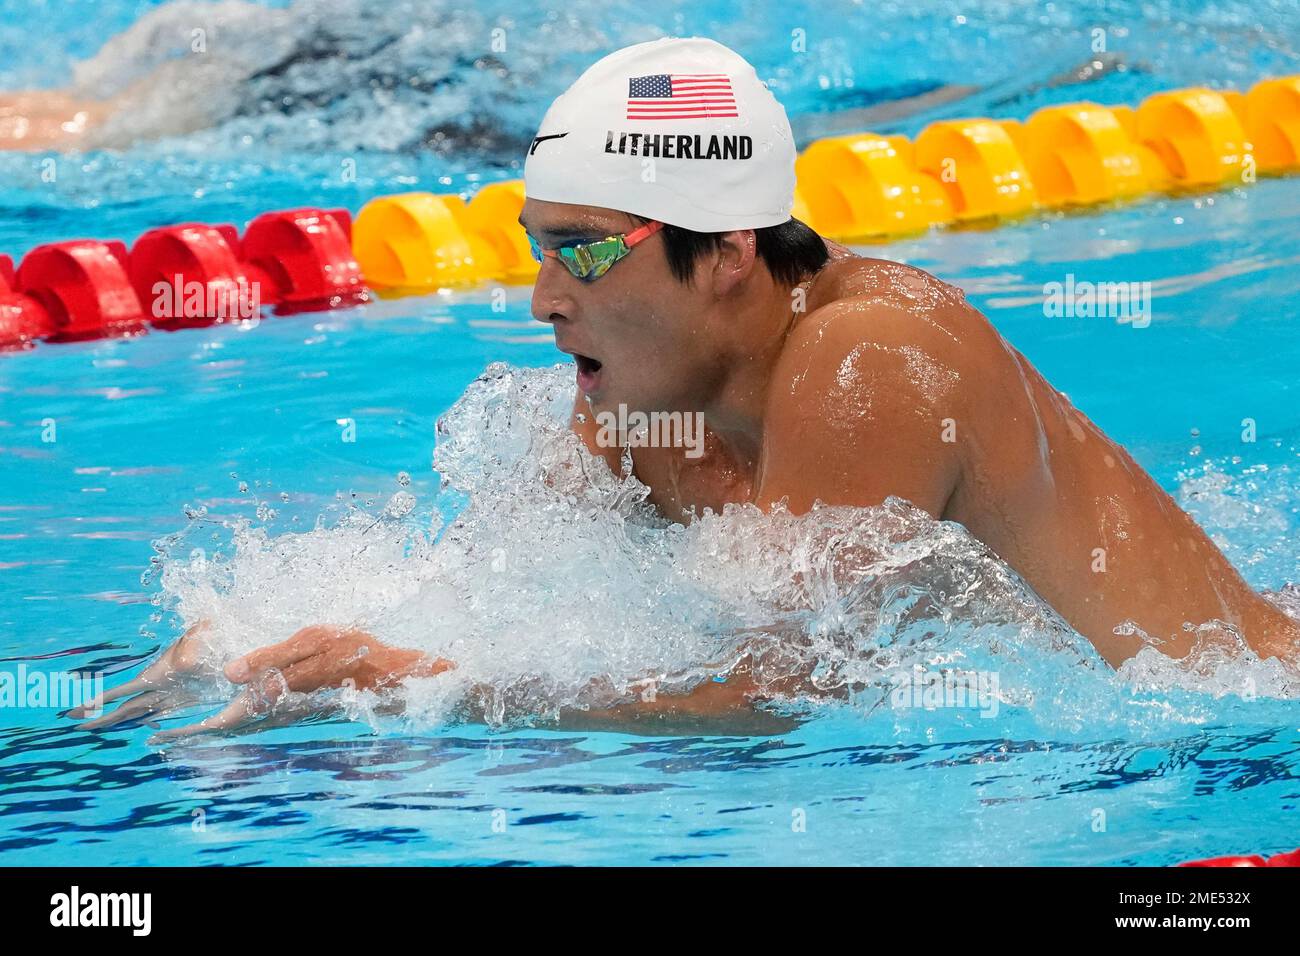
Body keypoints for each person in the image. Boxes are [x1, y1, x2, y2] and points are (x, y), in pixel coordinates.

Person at [74, 36, 1299, 740]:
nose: (542, 298)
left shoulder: (868, 362)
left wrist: (425, 692)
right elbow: (495, 594)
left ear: (724, 253)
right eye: (534, 244)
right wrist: (263, 644)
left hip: (1239, 727)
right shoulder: (643, 398)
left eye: (585, 249)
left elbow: (774, 703)